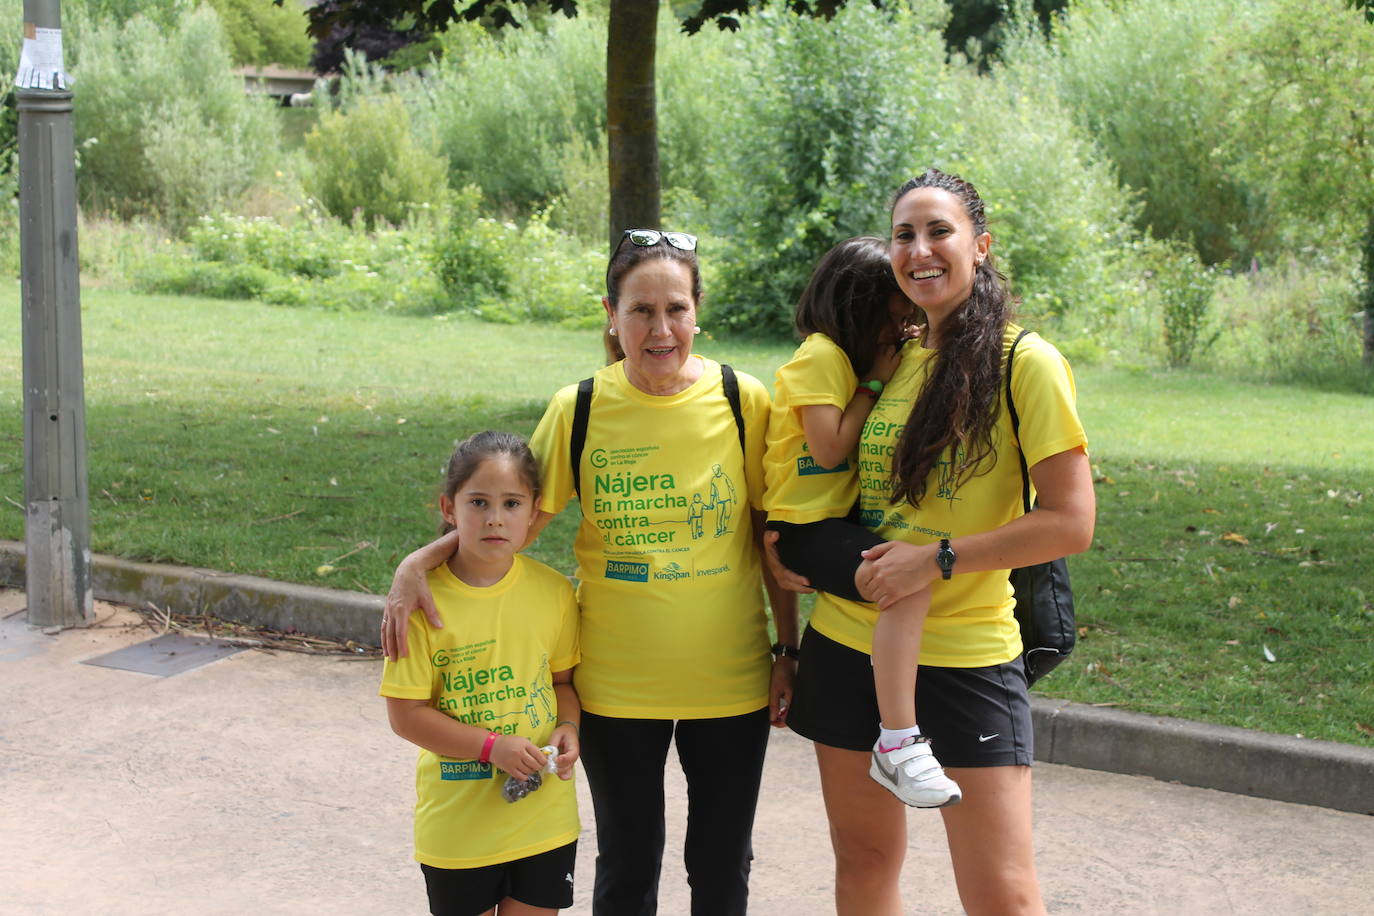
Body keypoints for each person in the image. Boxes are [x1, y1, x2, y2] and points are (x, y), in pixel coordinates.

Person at [383, 228, 798, 916]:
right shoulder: (578, 408)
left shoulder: (740, 398)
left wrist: (788, 650)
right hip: (614, 681)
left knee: (723, 863)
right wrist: (416, 563)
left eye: (676, 309)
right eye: (640, 310)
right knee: (629, 863)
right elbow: (508, 526)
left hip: (729, 676)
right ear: (611, 313)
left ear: (698, 312)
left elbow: (767, 537)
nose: (660, 329)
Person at [768, 169, 1096, 915]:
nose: (920, 249)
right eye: (904, 235)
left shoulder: (1026, 364)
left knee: (1004, 896)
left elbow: (1072, 522)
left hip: (967, 654)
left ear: (980, 246)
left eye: (938, 231)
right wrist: (787, 557)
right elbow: (825, 479)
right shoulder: (893, 358)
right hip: (849, 646)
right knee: (865, 864)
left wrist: (940, 558)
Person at [762, 236, 959, 809]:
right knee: (904, 583)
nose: (902, 331)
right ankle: (898, 742)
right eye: (896, 318)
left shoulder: (840, 357)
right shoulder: (822, 354)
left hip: (828, 521)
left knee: (906, 578)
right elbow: (829, 450)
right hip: (805, 529)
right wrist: (874, 379)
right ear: (861, 308)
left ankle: (898, 735)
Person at [380, 430, 582, 916]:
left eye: (512, 503)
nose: (495, 517)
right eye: (478, 502)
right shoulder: (418, 603)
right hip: (458, 828)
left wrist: (570, 726)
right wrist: (492, 747)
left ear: (534, 510)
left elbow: (562, 684)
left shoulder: (554, 593)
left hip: (544, 821)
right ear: (449, 508)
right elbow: (406, 716)